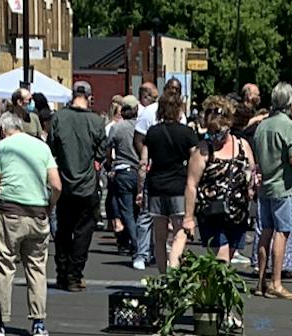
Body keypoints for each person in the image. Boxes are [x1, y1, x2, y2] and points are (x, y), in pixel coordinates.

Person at [0, 106, 55, 336]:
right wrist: (49, 207)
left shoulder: (1, 148)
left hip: (9, 213)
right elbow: (57, 184)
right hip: (38, 214)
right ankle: (38, 322)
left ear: (2, 130)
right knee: (37, 269)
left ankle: (1, 321)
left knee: (4, 267)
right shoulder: (42, 147)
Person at [47, 81, 106, 293]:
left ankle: (62, 273)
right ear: (89, 97)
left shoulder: (59, 118)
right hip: (87, 185)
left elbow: (51, 147)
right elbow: (101, 152)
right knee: (83, 233)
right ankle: (74, 275)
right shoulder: (96, 121)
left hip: (63, 183)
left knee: (63, 230)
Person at [251, 84, 292, 299]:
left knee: (265, 232)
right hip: (284, 186)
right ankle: (276, 282)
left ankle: (260, 281)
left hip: (265, 186)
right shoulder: (289, 126)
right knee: (282, 233)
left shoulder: (262, 126)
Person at [189, 95, 255, 266]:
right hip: (212, 214)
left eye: (219, 131)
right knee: (222, 258)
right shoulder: (203, 150)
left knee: (224, 262)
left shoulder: (242, 145)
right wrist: (188, 218)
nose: (215, 136)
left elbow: (252, 171)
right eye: (211, 131)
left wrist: (253, 183)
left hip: (237, 213)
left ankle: (208, 282)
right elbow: (191, 184)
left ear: (229, 125)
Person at [139, 84, 196, 273]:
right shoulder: (187, 133)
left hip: (156, 186)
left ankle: (163, 274)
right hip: (178, 185)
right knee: (180, 233)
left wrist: (140, 189)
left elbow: (143, 163)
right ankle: (173, 268)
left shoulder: (152, 133)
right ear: (179, 110)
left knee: (160, 236)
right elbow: (194, 160)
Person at [106, 96, 144, 264]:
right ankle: (139, 244)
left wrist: (110, 165)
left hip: (123, 170)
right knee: (138, 211)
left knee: (127, 211)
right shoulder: (141, 127)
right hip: (140, 171)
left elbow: (108, 150)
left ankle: (135, 245)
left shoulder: (117, 127)